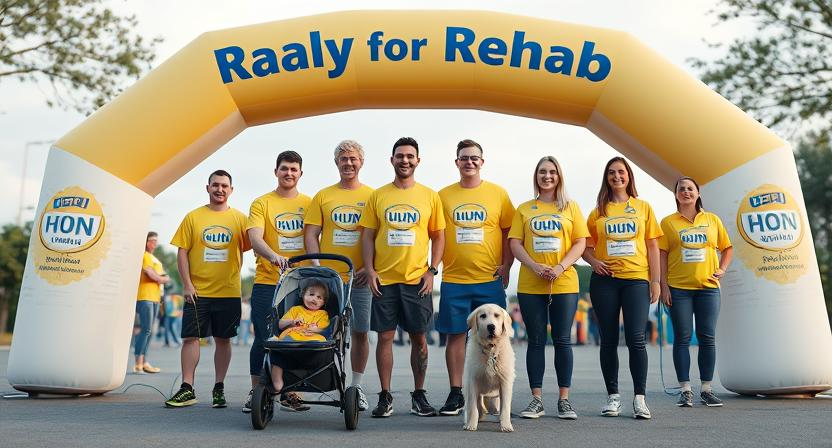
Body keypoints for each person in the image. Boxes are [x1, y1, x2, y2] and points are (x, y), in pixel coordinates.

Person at [359, 137, 445, 418]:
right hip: (384, 280)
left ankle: (419, 395)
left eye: (410, 156)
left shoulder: (430, 196)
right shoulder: (378, 195)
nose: (405, 160)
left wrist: (432, 270)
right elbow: (368, 235)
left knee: (419, 339)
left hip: (417, 281)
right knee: (384, 338)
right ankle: (385, 397)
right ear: (392, 159)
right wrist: (370, 270)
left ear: (417, 160)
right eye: (400, 156)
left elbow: (438, 236)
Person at [435, 139, 514, 416]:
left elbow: (508, 233)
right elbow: (436, 234)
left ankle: (494, 392)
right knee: (455, 336)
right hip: (454, 279)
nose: (469, 162)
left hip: (488, 279)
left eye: (474, 158)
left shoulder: (498, 194)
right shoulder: (442, 196)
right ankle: (457, 392)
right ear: (456, 162)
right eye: (464, 158)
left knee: (497, 337)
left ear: (482, 162)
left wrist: (507, 264)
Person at [509, 156, 588, 420]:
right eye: (542, 172)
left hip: (564, 283)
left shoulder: (571, 208)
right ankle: (536, 399)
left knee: (563, 340)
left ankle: (564, 400)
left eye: (552, 172)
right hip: (531, 285)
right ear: (536, 176)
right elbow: (515, 244)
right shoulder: (525, 208)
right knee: (536, 341)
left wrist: (561, 267)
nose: (547, 176)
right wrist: (533, 265)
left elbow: (580, 242)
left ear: (559, 176)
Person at [582, 156, 662, 419]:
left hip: (636, 279)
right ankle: (613, 397)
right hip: (605, 281)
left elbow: (652, 246)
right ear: (606, 178)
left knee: (636, 339)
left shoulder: (642, 207)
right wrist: (594, 263)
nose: (617, 176)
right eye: (612, 173)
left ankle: (640, 399)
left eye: (621, 172)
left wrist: (656, 281)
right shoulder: (598, 212)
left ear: (629, 176)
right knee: (608, 339)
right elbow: (585, 246)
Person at [165, 170, 251, 408]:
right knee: (190, 338)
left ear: (231, 190)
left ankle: (219, 388)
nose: (220, 189)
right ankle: (187, 388)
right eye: (215, 185)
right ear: (208, 188)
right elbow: (182, 251)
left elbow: (253, 245)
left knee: (223, 340)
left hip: (229, 291)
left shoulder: (241, 220)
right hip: (198, 292)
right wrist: (187, 284)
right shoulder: (193, 217)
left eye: (225, 186)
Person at [304, 139, 375, 411]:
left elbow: (377, 236)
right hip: (329, 280)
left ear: (361, 162)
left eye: (353, 159)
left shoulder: (372, 195)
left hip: (359, 279)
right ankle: (325, 382)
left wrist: (368, 269)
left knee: (359, 332)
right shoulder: (323, 196)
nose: (348, 163)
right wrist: (319, 268)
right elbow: (311, 233)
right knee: (326, 330)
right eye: (343, 159)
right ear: (336, 163)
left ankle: (355, 387)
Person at [245, 150, 312, 413]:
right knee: (264, 338)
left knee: (294, 337)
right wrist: (274, 257)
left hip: (300, 285)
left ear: (300, 173)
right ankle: (255, 392)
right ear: (276, 171)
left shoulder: (310, 203)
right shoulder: (262, 203)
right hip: (267, 282)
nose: (289, 173)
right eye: (284, 168)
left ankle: (288, 393)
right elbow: (255, 238)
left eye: (294, 169)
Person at [659, 176, 733, 408]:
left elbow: (727, 248)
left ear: (698, 194)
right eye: (681, 189)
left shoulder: (712, 220)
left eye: (690, 189)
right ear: (676, 195)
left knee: (707, 337)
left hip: (708, 289)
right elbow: (661, 254)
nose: (686, 192)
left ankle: (707, 389)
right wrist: (663, 286)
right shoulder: (668, 222)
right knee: (682, 337)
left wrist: (722, 268)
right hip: (678, 289)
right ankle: (685, 390)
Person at [267, 279, 331, 393]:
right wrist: (292, 322)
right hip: (291, 340)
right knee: (277, 350)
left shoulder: (322, 314)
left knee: (322, 348)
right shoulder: (296, 310)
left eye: (319, 297)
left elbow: (324, 329)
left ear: (323, 302)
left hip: (312, 343)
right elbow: (280, 324)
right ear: (303, 295)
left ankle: (313, 380)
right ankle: (277, 381)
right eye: (311, 294)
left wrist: (316, 329)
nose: (314, 299)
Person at [134, 231, 170, 374]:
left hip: (155, 298)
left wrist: (160, 278)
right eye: (152, 240)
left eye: (156, 240)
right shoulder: (143, 256)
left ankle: (144, 362)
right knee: (145, 330)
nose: (154, 243)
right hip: (145, 297)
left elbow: (164, 277)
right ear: (146, 241)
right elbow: (152, 274)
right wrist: (160, 278)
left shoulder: (154, 258)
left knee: (150, 331)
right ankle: (138, 363)